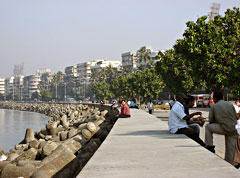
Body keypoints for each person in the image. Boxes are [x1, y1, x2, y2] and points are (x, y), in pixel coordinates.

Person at [205, 91, 238, 165]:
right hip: (234, 128)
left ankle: (209, 145)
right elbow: (236, 116)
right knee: (230, 148)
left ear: (215, 98)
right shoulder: (230, 105)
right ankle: (233, 163)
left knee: (207, 127)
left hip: (224, 127)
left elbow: (211, 120)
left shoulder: (214, 106)